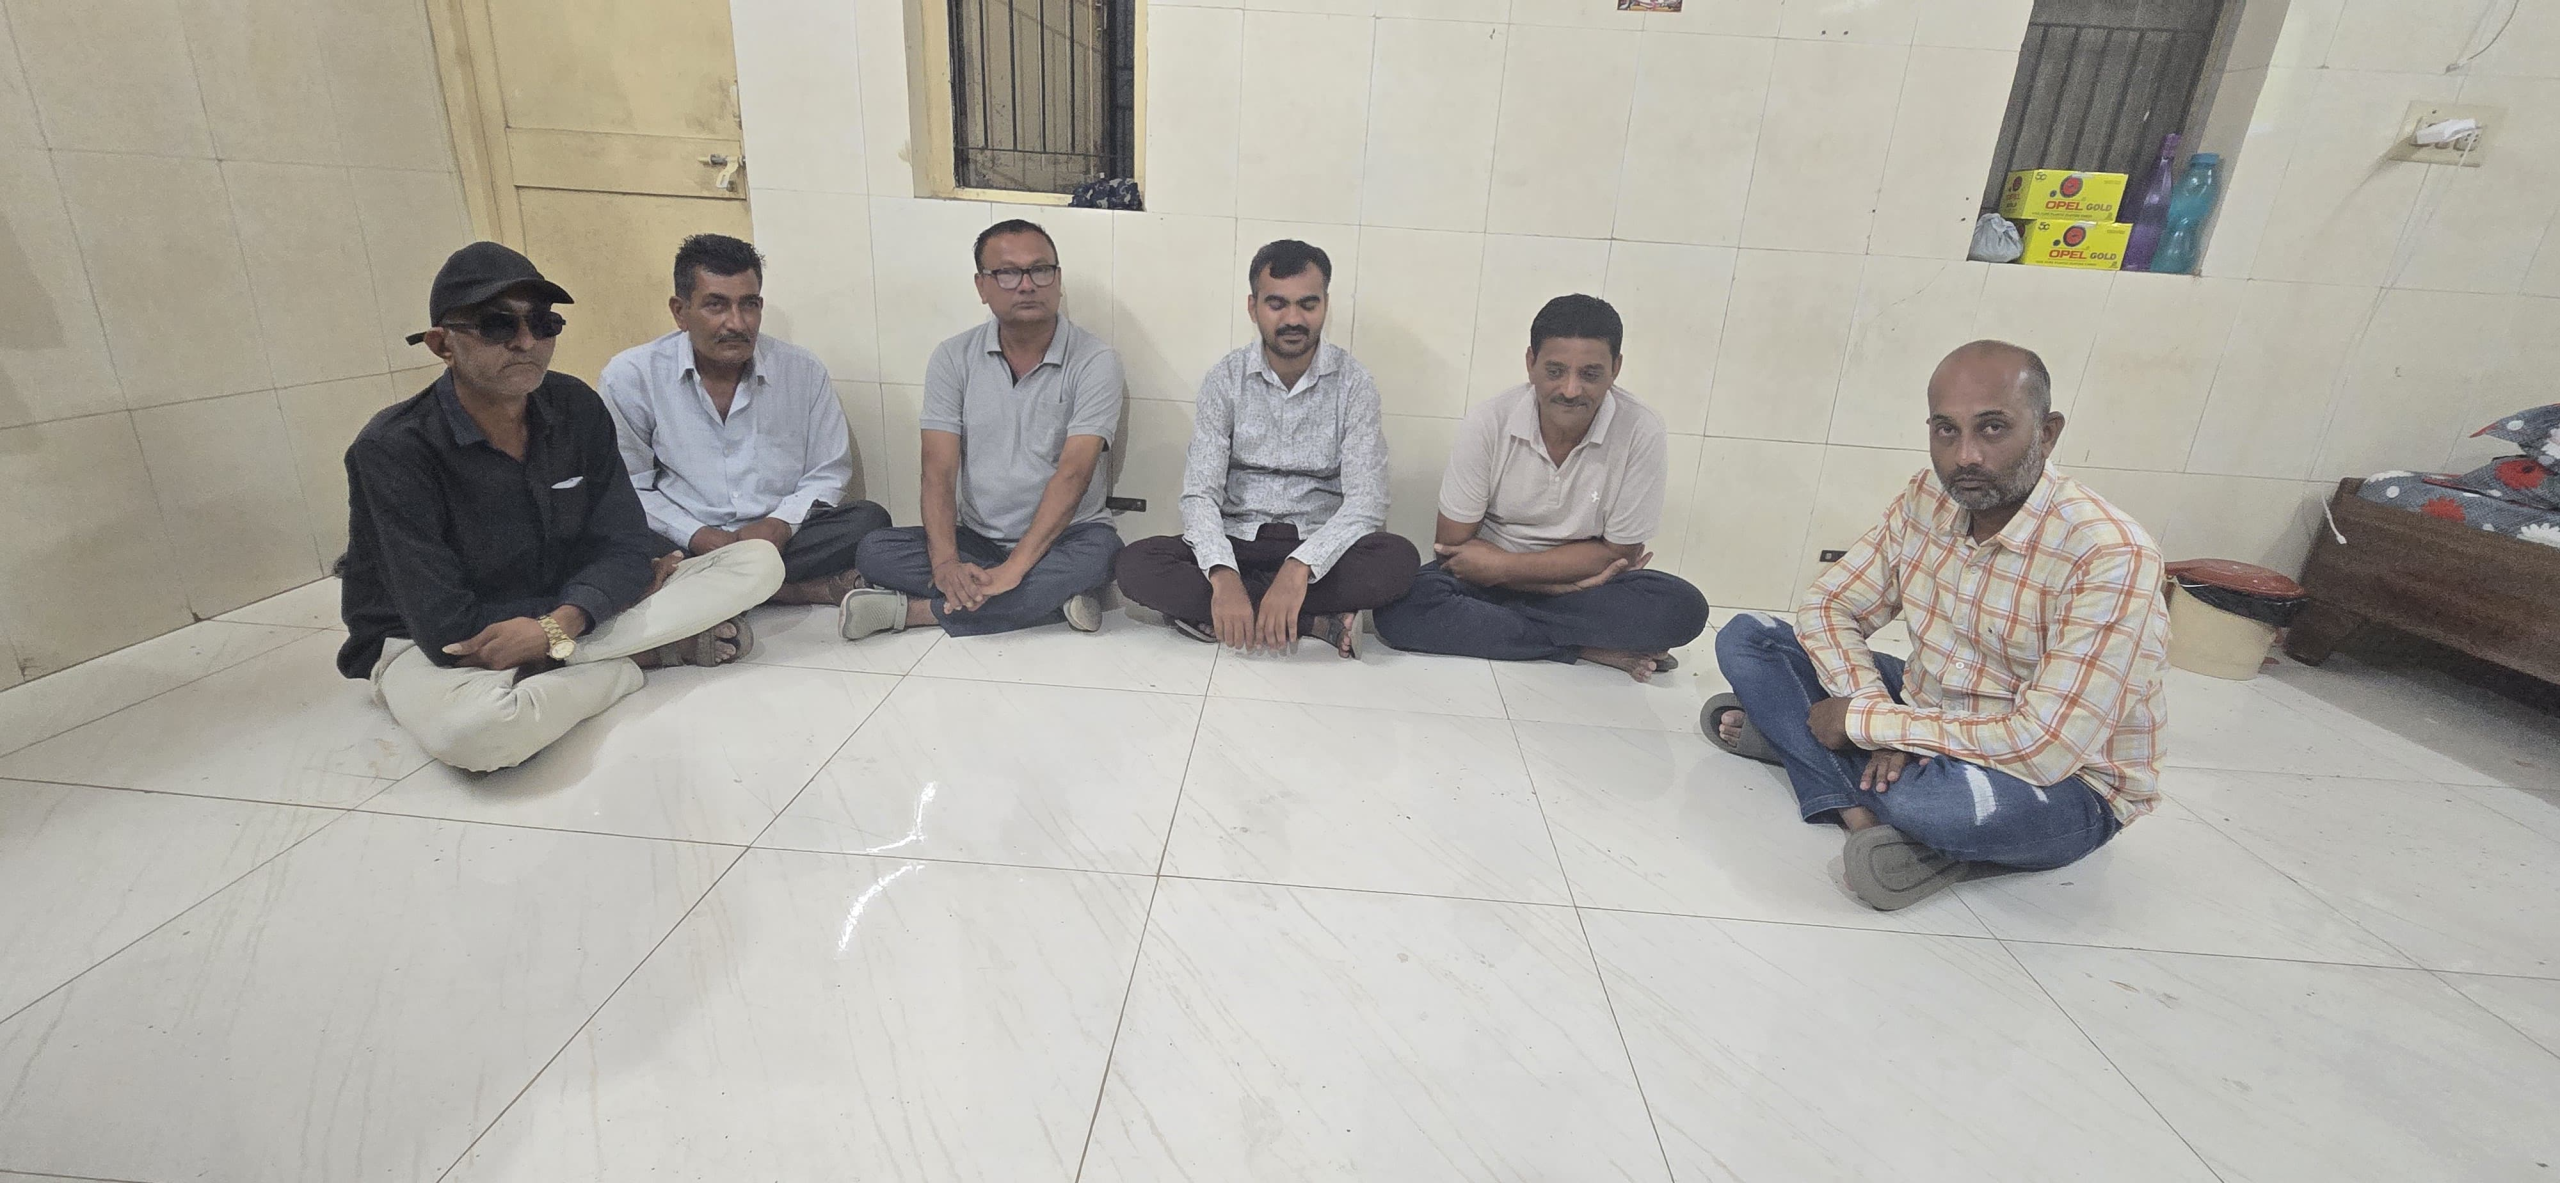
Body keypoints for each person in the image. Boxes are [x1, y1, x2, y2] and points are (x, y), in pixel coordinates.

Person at [1704, 339, 2169, 912]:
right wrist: (1875, 714)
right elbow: (1831, 606)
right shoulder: (1928, 498)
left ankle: (1805, 749)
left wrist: (1868, 724)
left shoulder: (2110, 554)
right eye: (1946, 430)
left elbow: (2044, 746)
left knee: (1937, 806)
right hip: (1928, 711)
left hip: (2062, 781)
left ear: (2047, 433)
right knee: (1750, 636)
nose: (1965, 455)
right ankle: (1859, 811)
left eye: (1992, 428)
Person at [339, 242, 783, 773]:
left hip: (565, 615)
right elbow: (442, 624)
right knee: (477, 732)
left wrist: (562, 623)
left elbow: (624, 542)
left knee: (757, 561)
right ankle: (635, 658)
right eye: (497, 326)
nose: (526, 342)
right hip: (435, 642)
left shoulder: (575, 406)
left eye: (543, 324)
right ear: (442, 345)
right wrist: (594, 603)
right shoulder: (393, 450)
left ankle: (559, 663)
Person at [1371, 294, 1708, 681]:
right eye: (1555, 371)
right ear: (1531, 363)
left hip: (1573, 589)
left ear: (1616, 368)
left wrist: (1506, 569)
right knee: (1402, 608)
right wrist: (1556, 583)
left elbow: (1619, 554)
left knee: (1682, 608)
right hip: (1488, 585)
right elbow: (1451, 547)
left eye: (1590, 374)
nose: (1570, 389)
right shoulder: (1489, 421)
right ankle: (1580, 647)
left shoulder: (1641, 429)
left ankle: (1523, 632)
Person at [1115, 239, 1419, 657]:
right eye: (1277, 304)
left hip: (1316, 545)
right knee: (1135, 565)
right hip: (1237, 538)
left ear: (1325, 305)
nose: (1293, 319)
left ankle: (1233, 611)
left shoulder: (1354, 384)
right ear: (1253, 306)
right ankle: (1313, 620)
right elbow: (1200, 493)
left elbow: (1367, 501)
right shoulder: (1225, 379)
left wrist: (1300, 567)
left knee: (1398, 561)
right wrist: (1223, 574)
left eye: (1307, 304)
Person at [846, 219, 1124, 639]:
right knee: (874, 550)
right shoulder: (953, 357)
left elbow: (1074, 474)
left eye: (1040, 270)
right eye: (1008, 273)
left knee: (1103, 556)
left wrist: (1015, 569)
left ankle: (915, 612)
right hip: (977, 539)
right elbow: (938, 471)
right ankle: (1053, 602)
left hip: (1067, 537)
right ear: (982, 286)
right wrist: (946, 564)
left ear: (1057, 279)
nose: (1027, 285)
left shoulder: (1095, 361)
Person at [602, 233, 888, 609]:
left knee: (868, 521)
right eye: (716, 305)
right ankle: (791, 591)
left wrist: (781, 524)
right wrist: (695, 533)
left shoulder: (802, 370)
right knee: (616, 541)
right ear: (680, 311)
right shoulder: (632, 375)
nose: (736, 323)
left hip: (777, 539)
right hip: (685, 538)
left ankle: (705, 588)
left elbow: (828, 472)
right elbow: (629, 486)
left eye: (748, 305)